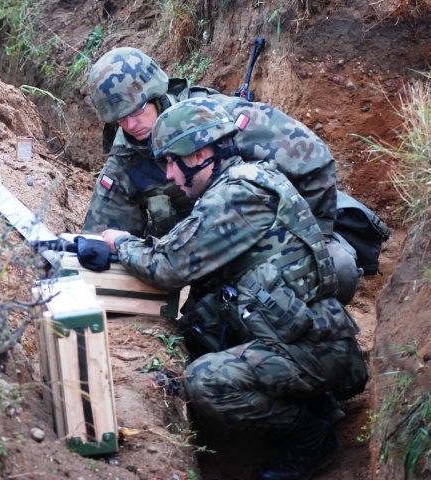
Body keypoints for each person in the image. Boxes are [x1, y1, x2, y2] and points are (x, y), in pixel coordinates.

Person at [100, 98, 367, 480]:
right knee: (197, 326)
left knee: (202, 382)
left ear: (203, 153)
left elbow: (167, 267)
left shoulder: (234, 198)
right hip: (312, 332)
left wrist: (120, 243)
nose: (171, 175)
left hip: (312, 347)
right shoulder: (251, 178)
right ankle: (309, 397)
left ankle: (310, 438)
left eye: (174, 161)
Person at [84, 46, 362, 305]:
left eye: (138, 110)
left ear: (156, 94)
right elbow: (102, 242)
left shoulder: (217, 119)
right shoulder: (125, 162)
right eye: (121, 119)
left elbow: (313, 157)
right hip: (198, 258)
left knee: (338, 267)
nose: (132, 125)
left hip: (268, 242)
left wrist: (315, 235)